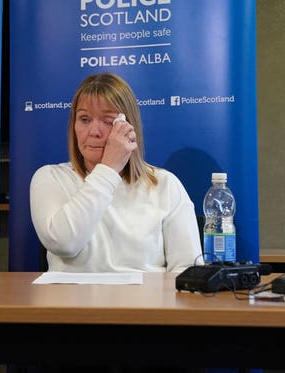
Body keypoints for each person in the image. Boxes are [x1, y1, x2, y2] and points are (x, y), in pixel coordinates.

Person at [30, 72, 202, 274]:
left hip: (145, 302)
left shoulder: (164, 184)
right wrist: (108, 169)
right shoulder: (50, 178)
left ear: (129, 127)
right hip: (72, 302)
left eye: (108, 121)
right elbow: (64, 244)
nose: (94, 131)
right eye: (84, 119)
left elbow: (188, 270)